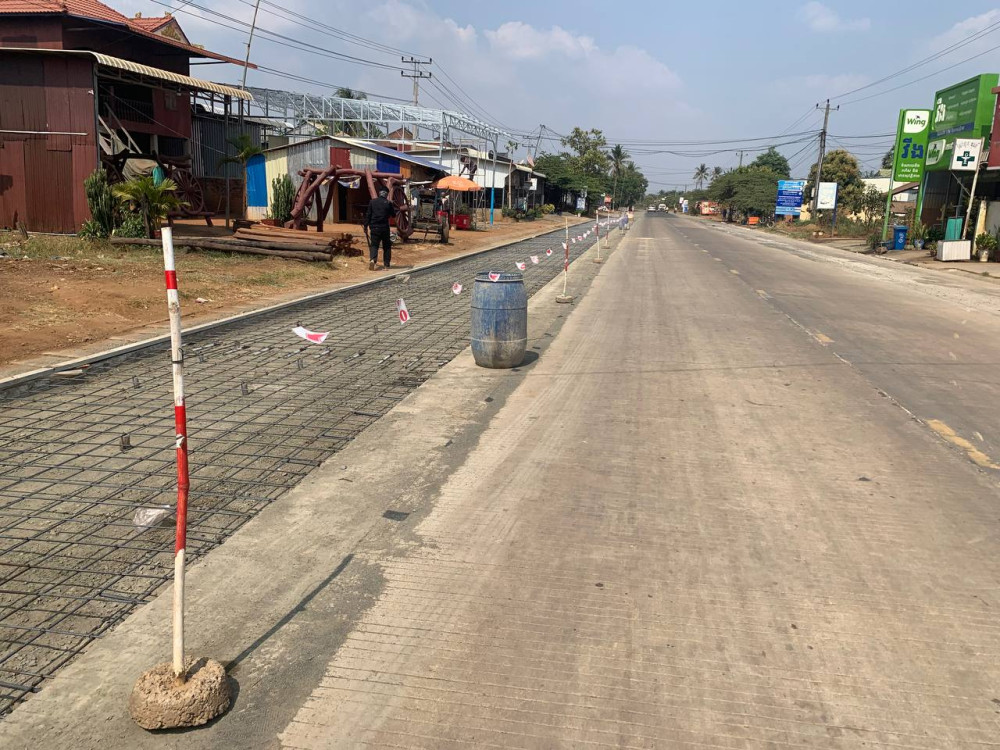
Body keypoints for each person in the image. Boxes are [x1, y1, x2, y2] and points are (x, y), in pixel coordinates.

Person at [364, 188, 397, 270]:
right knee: (386, 246)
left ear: (379, 193)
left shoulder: (372, 202)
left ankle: (373, 260)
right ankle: (386, 265)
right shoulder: (388, 203)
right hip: (384, 228)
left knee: (374, 245)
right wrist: (391, 205)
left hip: (374, 227)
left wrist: (365, 226)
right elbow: (393, 215)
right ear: (387, 194)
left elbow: (368, 215)